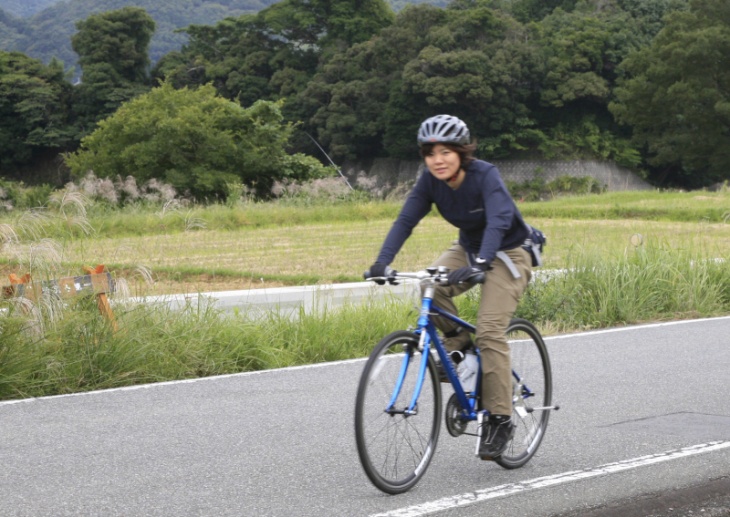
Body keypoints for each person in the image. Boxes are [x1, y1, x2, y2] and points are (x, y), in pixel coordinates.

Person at [367, 114, 532, 460]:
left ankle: (500, 419)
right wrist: (381, 263)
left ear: (462, 152)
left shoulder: (484, 175)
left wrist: (482, 263)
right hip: (470, 249)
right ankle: (458, 348)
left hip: (508, 254)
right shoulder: (430, 182)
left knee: (489, 332)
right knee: (431, 284)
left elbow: (500, 219)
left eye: (445, 151)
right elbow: (406, 220)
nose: (437, 160)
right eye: (429, 153)